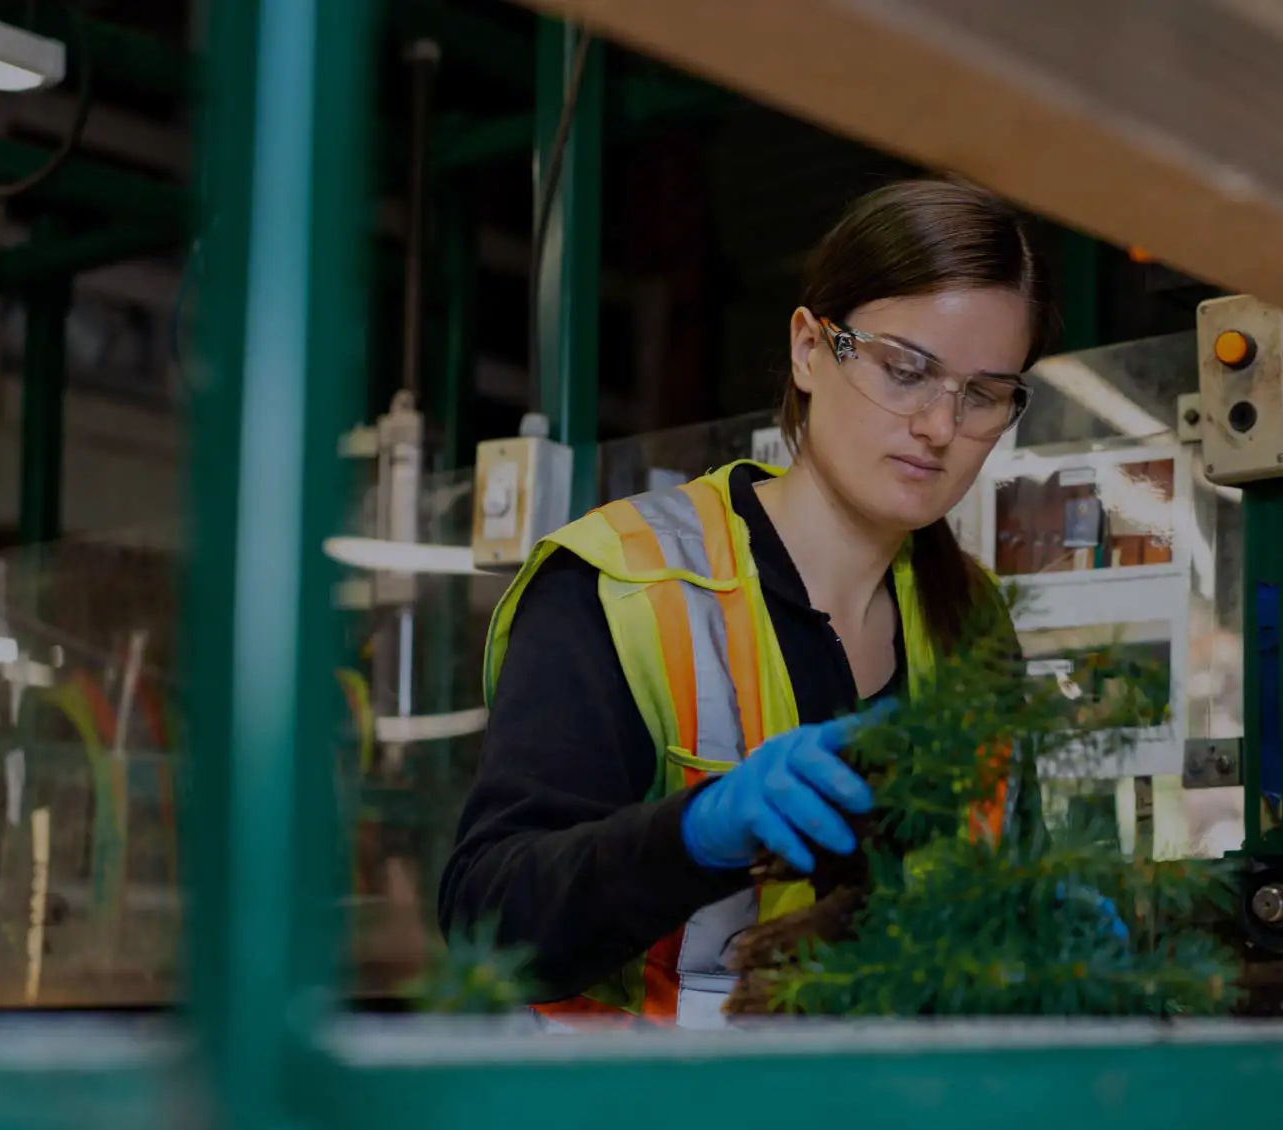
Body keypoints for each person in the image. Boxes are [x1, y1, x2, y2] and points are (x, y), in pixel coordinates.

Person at [438, 178, 1056, 1029]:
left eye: (983, 394)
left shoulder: (973, 622)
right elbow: (490, 919)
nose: (940, 427)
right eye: (905, 370)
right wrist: (692, 835)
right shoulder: (622, 582)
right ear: (809, 348)